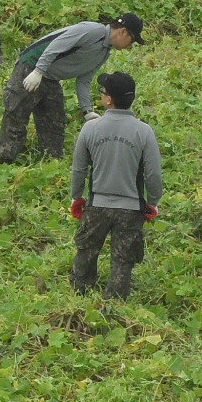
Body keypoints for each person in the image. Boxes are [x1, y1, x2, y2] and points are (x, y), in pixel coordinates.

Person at [0, 13, 144, 163]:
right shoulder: (93, 31)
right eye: (132, 40)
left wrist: (87, 111)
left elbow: (84, 80)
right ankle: (6, 161)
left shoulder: (104, 52)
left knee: (54, 122)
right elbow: (55, 46)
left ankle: (51, 162)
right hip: (31, 67)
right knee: (17, 113)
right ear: (123, 32)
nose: (130, 46)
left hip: (52, 77)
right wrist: (38, 71)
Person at [68, 71, 162, 299]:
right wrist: (153, 202)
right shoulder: (144, 131)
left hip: (97, 204)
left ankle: (79, 295)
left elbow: (79, 169)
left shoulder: (90, 129)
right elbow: (153, 174)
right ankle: (115, 302)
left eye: (102, 92)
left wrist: (76, 196)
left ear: (109, 99)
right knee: (123, 260)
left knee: (86, 252)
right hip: (130, 209)